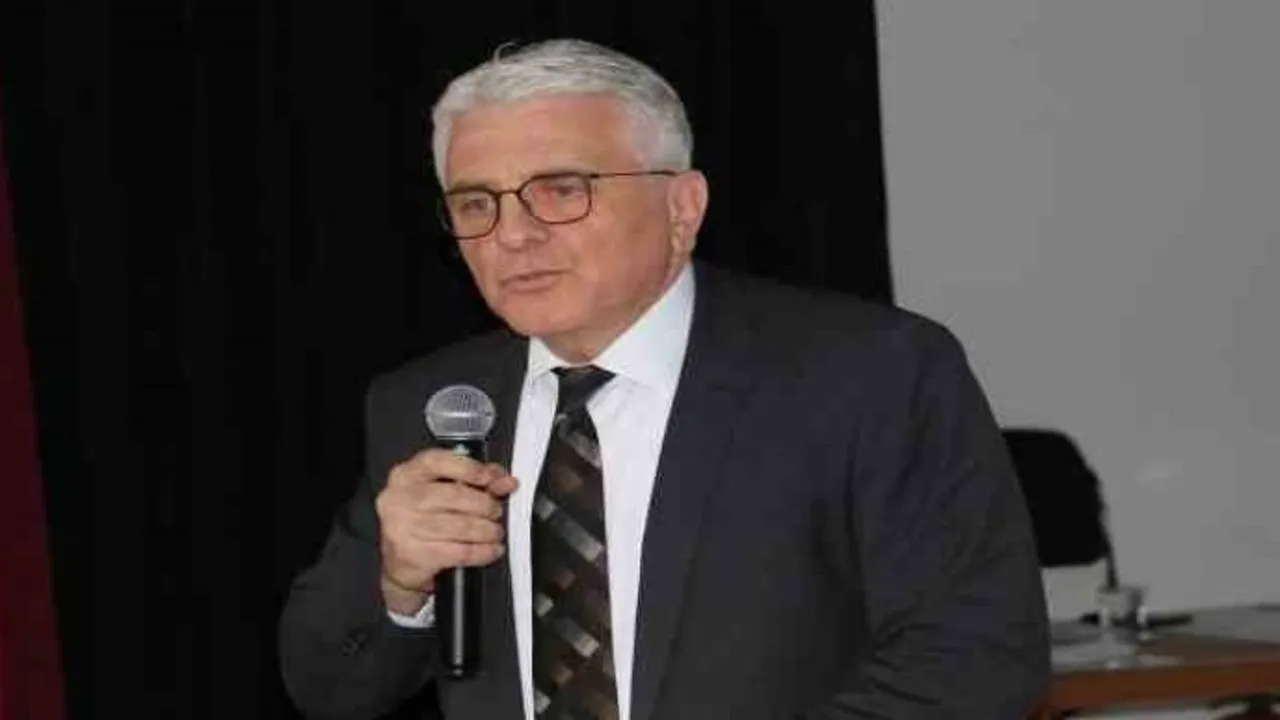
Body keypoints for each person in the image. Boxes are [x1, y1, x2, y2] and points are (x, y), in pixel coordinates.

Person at [278, 38, 1050, 720]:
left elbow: (975, 659)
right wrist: (400, 584)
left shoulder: (868, 373)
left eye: (561, 190)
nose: (512, 233)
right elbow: (327, 687)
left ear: (682, 207)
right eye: (477, 203)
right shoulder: (433, 405)